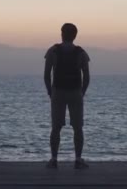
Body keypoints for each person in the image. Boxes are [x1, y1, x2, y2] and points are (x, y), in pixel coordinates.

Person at [44, 23, 90, 169]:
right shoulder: (81, 53)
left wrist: (50, 92)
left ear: (62, 34)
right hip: (75, 92)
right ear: (75, 35)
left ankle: (54, 159)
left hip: (58, 91)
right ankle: (78, 159)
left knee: (56, 127)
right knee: (78, 127)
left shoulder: (53, 51)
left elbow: (46, 75)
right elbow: (87, 77)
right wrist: (81, 92)